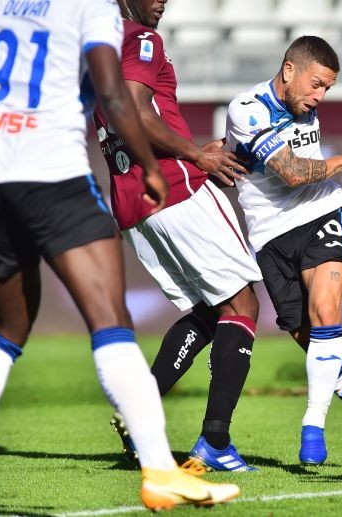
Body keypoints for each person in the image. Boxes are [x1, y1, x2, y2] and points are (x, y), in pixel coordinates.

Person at [0, 0, 239, 514]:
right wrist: (148, 164)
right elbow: (115, 96)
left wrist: (8, 137)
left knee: (7, 329)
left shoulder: (2, 9)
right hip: (55, 178)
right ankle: (160, 471)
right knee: (111, 321)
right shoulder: (91, 9)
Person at [224, 35, 342, 471]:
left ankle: (313, 423)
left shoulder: (302, 103)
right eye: (316, 85)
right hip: (270, 237)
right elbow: (291, 172)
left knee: (327, 316)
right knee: (318, 350)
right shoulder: (248, 108)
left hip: (321, 215)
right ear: (289, 70)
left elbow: (300, 178)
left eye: (327, 88)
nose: (319, 97)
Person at [94, 0, 263, 472]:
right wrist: (197, 157)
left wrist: (191, 152)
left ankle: (138, 411)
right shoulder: (141, 39)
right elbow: (136, 108)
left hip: (133, 201)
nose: (162, 0)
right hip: (173, 186)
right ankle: (216, 442)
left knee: (212, 310)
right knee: (243, 305)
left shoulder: (95, 46)